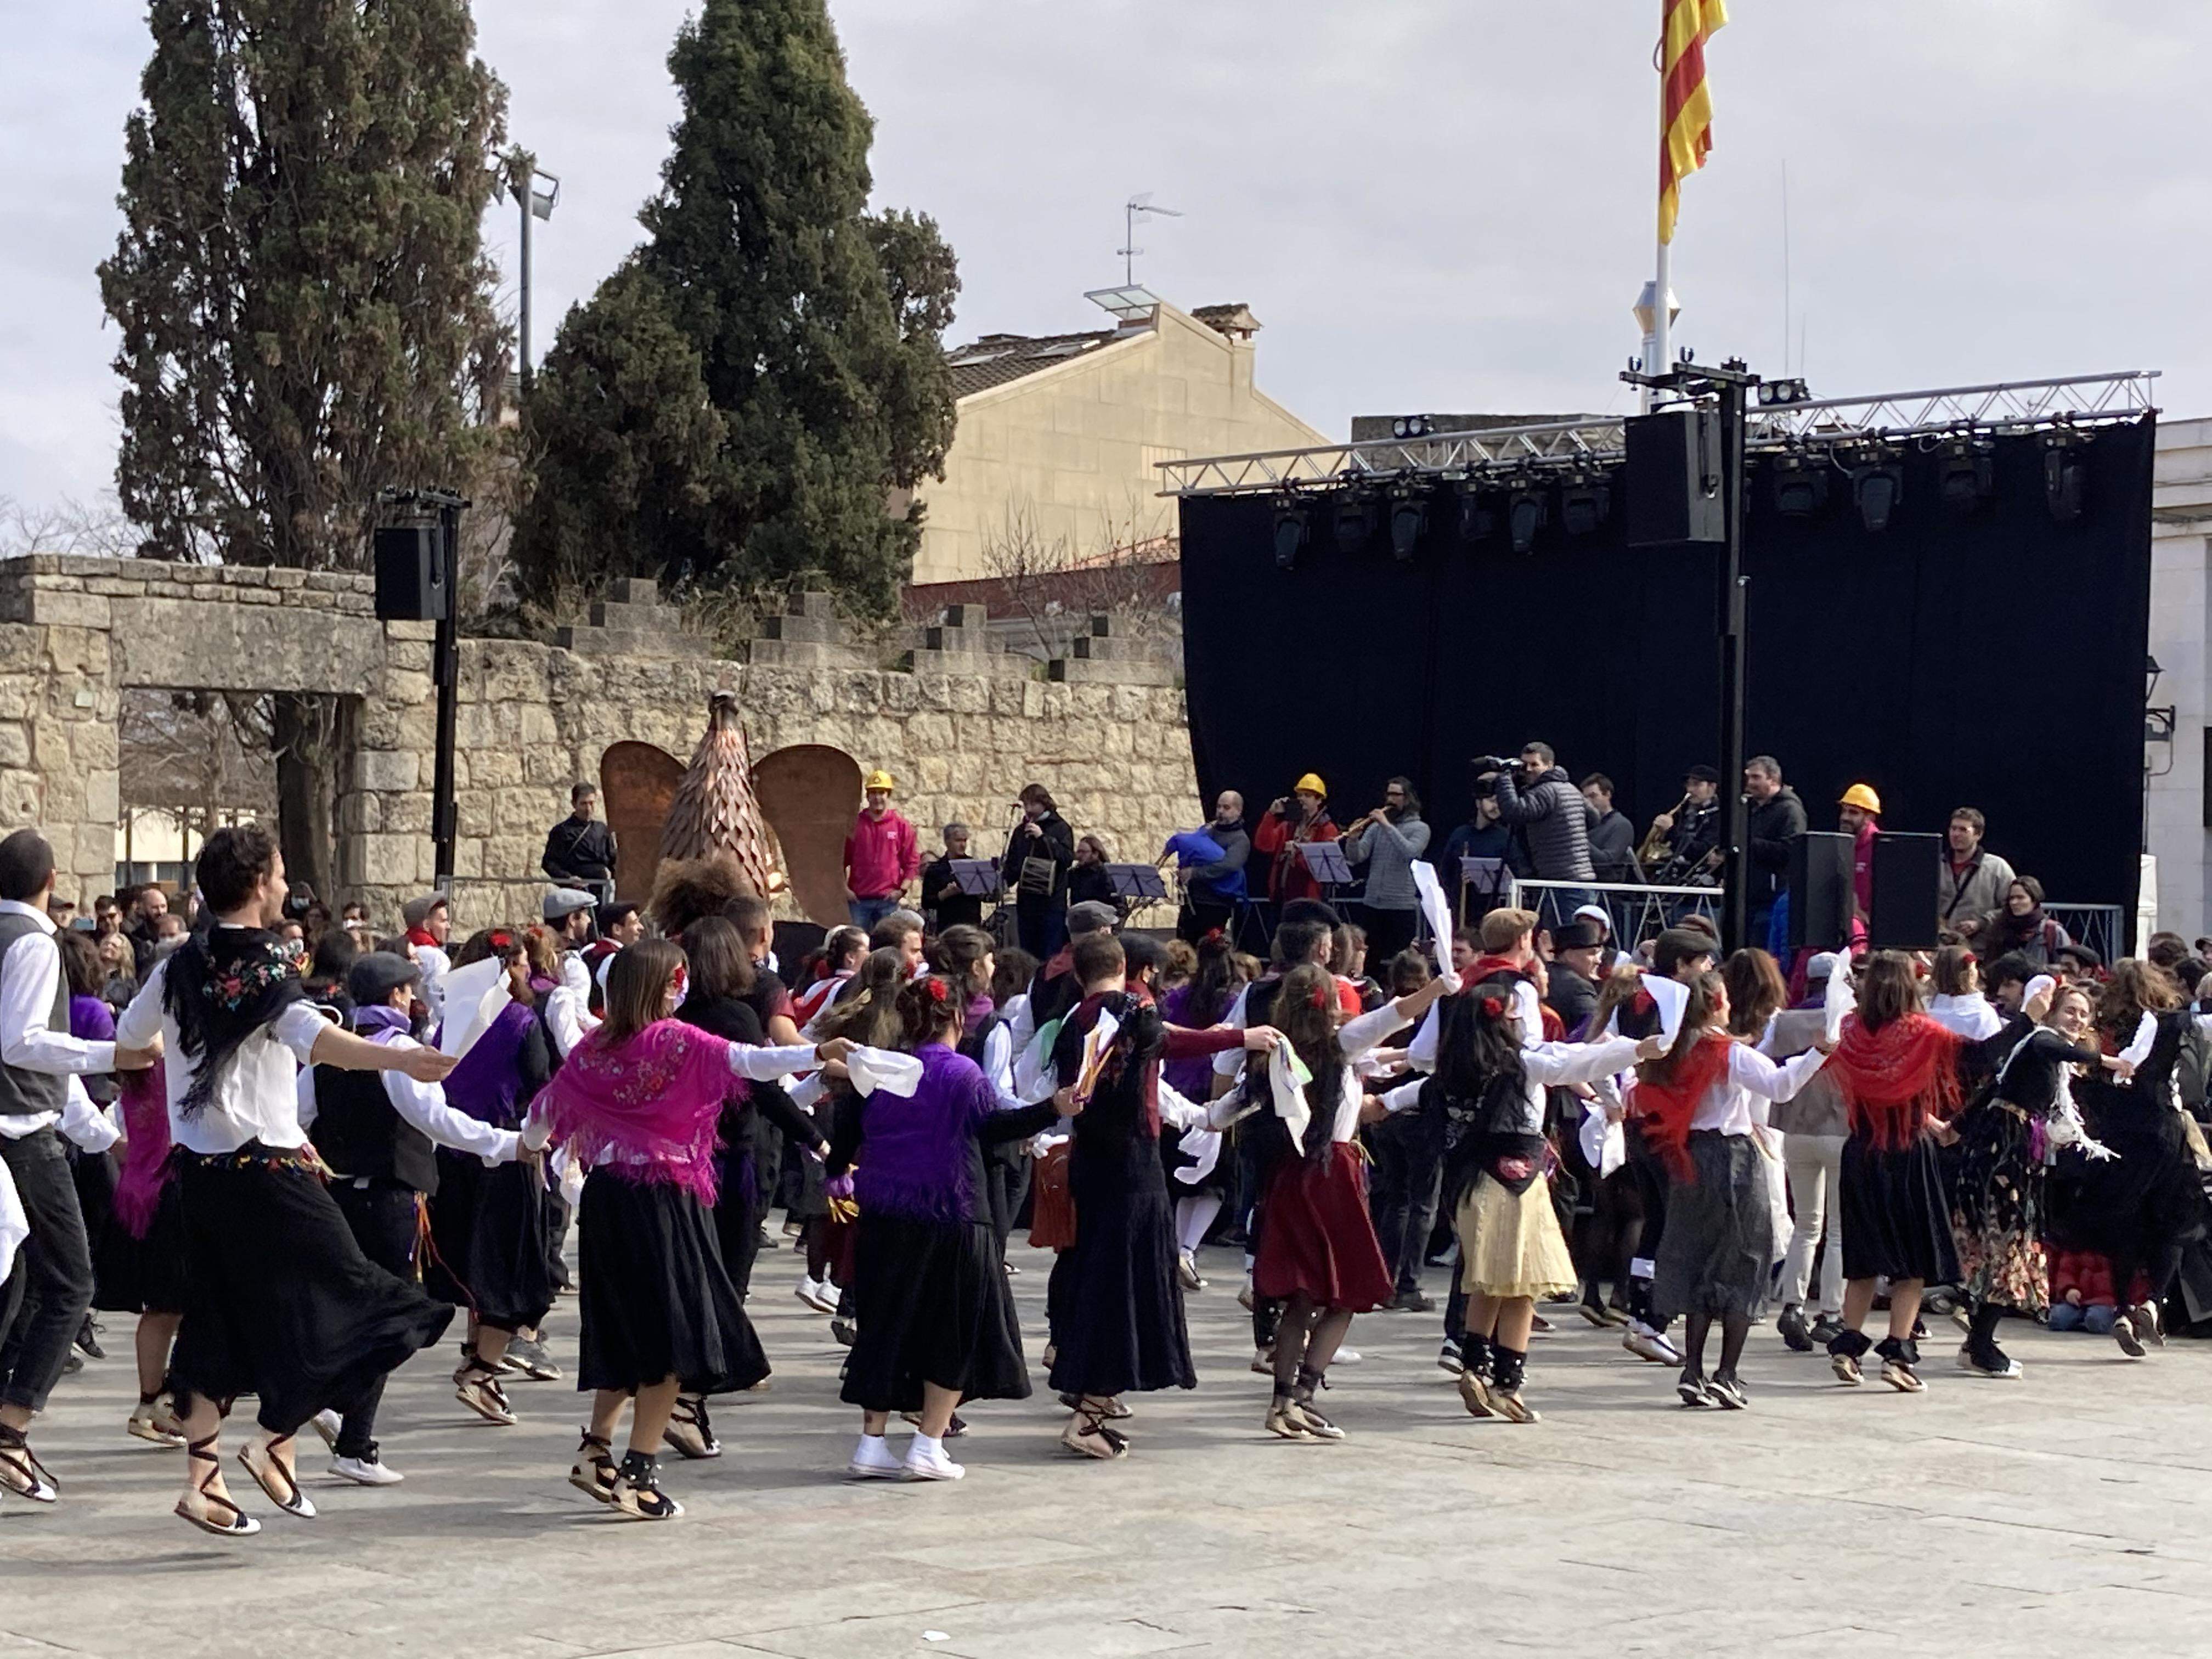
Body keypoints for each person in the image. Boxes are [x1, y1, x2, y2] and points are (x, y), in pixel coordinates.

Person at [115, 823, 461, 1536]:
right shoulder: (269, 965)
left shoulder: (177, 964)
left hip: (200, 1177)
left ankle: (204, 1482)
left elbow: (130, 1036)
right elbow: (312, 1036)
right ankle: (275, 1437)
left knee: (217, 1323)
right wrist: (396, 1059)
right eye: (276, 874)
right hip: (269, 1171)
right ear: (257, 885)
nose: (282, 884)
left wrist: (181, 1051)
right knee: (373, 1304)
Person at [522, 939, 847, 1520]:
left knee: (624, 1329)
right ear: (663, 985)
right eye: (677, 979)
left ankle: (595, 1452)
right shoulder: (678, 1040)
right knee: (677, 1339)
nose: (683, 988)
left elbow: (542, 1117)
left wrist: (525, 1149)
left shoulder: (596, 1046)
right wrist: (819, 1053)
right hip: (664, 1199)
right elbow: (753, 1063)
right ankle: (638, 1475)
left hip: (608, 1200)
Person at [298, 950, 528, 1484]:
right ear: (397, 997)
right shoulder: (398, 1051)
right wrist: (506, 1145)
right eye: (406, 991)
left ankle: (350, 1430)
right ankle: (341, 1420)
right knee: (405, 1317)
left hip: (343, 1199)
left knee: (368, 1314)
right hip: (391, 1203)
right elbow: (438, 1121)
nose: (411, 999)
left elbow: (297, 1118)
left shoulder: (330, 1054)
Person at [1046, 930, 1277, 1458]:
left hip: (1092, 1162)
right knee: (1125, 1283)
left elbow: (1162, 1038)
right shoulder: (1129, 1013)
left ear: (1080, 973)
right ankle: (1090, 1413)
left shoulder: (1075, 1021)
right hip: (1131, 1167)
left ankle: (1086, 1391)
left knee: (1095, 1277)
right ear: (1126, 967)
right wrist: (1240, 1039)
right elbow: (1168, 1039)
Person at [831, 972, 1069, 1481]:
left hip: (884, 1217)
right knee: (954, 1332)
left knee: (883, 1328)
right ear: (958, 1020)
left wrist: (837, 1177)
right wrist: (1052, 1110)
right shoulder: (963, 1074)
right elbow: (993, 1128)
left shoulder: (879, 1069)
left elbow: (844, 1135)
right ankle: (927, 1442)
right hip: (955, 1214)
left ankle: (871, 1443)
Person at [1415, 970, 1654, 1421]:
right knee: (1523, 1283)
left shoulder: (1452, 1068)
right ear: (1506, 1022)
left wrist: (1379, 1103)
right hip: (1517, 1184)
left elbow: (1410, 1090)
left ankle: (1474, 1366)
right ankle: (1509, 1383)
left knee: (1488, 1279)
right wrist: (1638, 1049)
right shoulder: (1523, 1063)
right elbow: (1576, 1064)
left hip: (1469, 1185)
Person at [0, 830, 150, 1506]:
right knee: (71, 1283)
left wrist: (100, 1136)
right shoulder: (32, 942)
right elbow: (24, 1043)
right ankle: (10, 1429)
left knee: (22, 1279)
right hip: (20, 1136)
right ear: (52, 880)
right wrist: (110, 1056)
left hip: (26, 1127)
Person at [1240, 961, 1452, 1438]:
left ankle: (1282, 1403)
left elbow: (1230, 1108)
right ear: (1331, 1007)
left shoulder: (1273, 1055)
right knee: (1348, 1292)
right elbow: (1395, 1014)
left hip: (1289, 1178)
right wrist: (1439, 987)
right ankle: (1304, 1395)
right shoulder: (1340, 1046)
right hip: (1332, 1176)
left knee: (1302, 1297)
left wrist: (1195, 1120)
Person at [670, 916, 830, 1457]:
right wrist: (817, 1140)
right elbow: (762, 1089)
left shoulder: (672, 1017)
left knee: (697, 1274)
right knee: (726, 1277)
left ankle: (690, 1394)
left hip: (678, 1160)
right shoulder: (735, 1017)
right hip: (729, 1161)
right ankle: (690, 1399)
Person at [1634, 970, 1831, 1408]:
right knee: (1746, 1260)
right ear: (1717, 1002)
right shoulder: (1729, 1053)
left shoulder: (1670, 1051)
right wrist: (1818, 1052)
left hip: (1690, 1158)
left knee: (1700, 1260)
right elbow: (1781, 1087)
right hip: (1734, 1158)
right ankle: (1727, 1373)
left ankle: (1692, 1370)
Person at [1952, 978, 2123, 1378]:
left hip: (2011, 1153)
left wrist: (1954, 1127)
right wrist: (2108, 1060)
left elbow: (1991, 1087)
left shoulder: (2042, 1057)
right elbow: (2054, 1049)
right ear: (2051, 1013)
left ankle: (1977, 1340)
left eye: (2084, 1014)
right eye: (2070, 1011)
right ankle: (1979, 1344)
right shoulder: (2040, 1040)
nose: (2077, 1019)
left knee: (2006, 1246)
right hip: (2001, 1156)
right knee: (2008, 1246)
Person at [1821, 951, 1970, 1394]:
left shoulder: (1848, 1031)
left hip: (1862, 1151)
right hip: (1908, 1155)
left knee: (1863, 1258)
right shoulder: (1926, 1033)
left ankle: (1847, 1348)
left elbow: (1883, 1094)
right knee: (1914, 1262)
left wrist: (1931, 1122)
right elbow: (1975, 1057)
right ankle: (1897, 1354)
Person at [2056, 960, 2204, 1361]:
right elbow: (2192, 1079)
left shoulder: (2103, 1032)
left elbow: (2083, 1083)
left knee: (2126, 1222)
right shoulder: (2173, 1025)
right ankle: (2153, 1301)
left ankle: (2122, 1308)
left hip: (2118, 1137)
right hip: (2163, 1130)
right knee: (2176, 1220)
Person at [1487, 743, 1595, 896]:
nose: (1528, 770)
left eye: (1534, 764)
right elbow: (1595, 818)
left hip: (1559, 878)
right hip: (1578, 875)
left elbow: (1515, 813)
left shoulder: (1544, 792)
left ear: (1549, 765)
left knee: (1561, 920)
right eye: (1524, 765)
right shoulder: (1571, 788)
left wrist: (1504, 779)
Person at [1342, 777, 1431, 961]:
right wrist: (1353, 839)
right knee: (1369, 959)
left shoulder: (1421, 828)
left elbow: (1411, 852)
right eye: (1389, 794)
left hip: (1401, 906)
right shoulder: (1376, 828)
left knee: (1400, 961)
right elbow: (1357, 856)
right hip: (1373, 903)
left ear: (1408, 799)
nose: (1391, 799)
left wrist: (1387, 825)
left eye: (1396, 795)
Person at [1164, 791, 1250, 943]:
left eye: (1227, 808)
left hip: (1216, 904)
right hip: (1193, 901)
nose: (1221, 812)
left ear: (1238, 811)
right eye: (1219, 807)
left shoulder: (1240, 840)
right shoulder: (1207, 831)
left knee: (1209, 949)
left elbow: (1228, 866)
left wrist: (1195, 873)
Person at [1002, 783, 1076, 960]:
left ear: (1044, 804)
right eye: (1025, 805)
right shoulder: (1021, 831)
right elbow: (1015, 861)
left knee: (1050, 953)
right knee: (1028, 953)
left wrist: (1043, 838)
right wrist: (1005, 880)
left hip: (1051, 903)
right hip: (1027, 902)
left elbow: (1067, 858)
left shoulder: (1060, 827)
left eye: (1032, 804)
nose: (1028, 809)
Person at [843, 770, 921, 930]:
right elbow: (839, 862)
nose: (877, 798)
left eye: (882, 793)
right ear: (867, 796)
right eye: (873, 793)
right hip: (859, 901)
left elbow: (912, 863)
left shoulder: (901, 826)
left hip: (888, 901)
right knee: (859, 946)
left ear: (888, 795)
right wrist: (845, 890)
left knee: (887, 946)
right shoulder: (854, 825)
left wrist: (902, 890)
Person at [1743, 757, 1807, 946]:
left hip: (1772, 897)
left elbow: (1792, 851)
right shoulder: (1753, 809)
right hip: (1751, 896)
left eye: (1756, 777)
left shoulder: (1790, 810)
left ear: (1773, 779)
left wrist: (1747, 844)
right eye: (1749, 777)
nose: (1750, 783)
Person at [1251, 774, 1341, 906]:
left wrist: (1299, 852)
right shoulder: (1288, 826)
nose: (1301, 799)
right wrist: (1271, 815)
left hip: (1309, 899)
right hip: (1282, 896)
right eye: (1299, 795)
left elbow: (1323, 868)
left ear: (1319, 800)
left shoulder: (1327, 829)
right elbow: (1263, 845)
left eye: (1307, 795)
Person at [1938, 808, 2016, 944]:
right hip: (1940, 951)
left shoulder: (1997, 868)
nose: (1956, 834)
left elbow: (2013, 907)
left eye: (1963, 830)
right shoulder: (1936, 865)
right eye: (1953, 829)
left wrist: (1981, 923)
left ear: (1978, 834)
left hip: (1981, 950)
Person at [1645, 765, 1723, 885]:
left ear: (1712, 787)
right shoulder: (1686, 813)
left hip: (1701, 880)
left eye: (1697, 785)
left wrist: (1670, 831)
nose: (1690, 790)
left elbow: (1701, 850)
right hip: (1678, 875)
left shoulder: (1718, 816)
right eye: (1689, 785)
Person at [542, 782, 618, 900]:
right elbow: (550, 863)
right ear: (574, 804)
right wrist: (568, 879)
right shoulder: (562, 831)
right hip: (576, 892)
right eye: (583, 804)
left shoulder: (601, 829)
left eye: (591, 803)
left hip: (602, 889)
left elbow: (613, 860)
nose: (588, 809)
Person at [1984, 877, 2070, 970]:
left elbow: (2067, 969)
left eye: (2021, 898)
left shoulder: (2052, 931)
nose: (2014, 902)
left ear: (2034, 900)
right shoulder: (2000, 928)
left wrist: (2038, 971)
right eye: (2011, 898)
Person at [919, 823, 986, 933]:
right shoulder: (936, 869)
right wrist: (944, 894)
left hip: (972, 926)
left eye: (965, 841)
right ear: (947, 842)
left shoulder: (974, 865)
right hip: (947, 927)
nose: (963, 845)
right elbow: (926, 902)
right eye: (958, 841)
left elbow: (988, 896)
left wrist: (980, 891)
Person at [1544, 921, 1605, 1036]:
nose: (1598, 961)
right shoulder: (1579, 987)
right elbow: (1595, 1031)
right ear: (1570, 956)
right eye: (1592, 954)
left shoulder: (1545, 974)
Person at [1579, 774, 1641, 885]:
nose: (1588, 802)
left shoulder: (1621, 825)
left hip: (1608, 893)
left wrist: (1579, 840)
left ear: (1607, 795)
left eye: (1593, 796)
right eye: (1585, 798)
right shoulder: (1588, 825)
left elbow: (1609, 862)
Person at [400, 892, 453, 1022]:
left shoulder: (398, 949)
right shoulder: (438, 959)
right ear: (426, 925)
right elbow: (442, 1006)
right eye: (443, 921)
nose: (448, 926)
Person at [1837, 784, 1882, 923]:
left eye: (1853, 812)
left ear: (1870, 817)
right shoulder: (1841, 845)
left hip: (1871, 932)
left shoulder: (1880, 847)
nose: (1845, 817)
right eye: (1844, 811)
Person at [1067, 833, 1119, 913]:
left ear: (1095, 854)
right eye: (1078, 852)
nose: (1079, 856)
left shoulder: (1105, 874)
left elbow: (1118, 902)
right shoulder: (1075, 873)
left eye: (1083, 852)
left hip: (1100, 920)